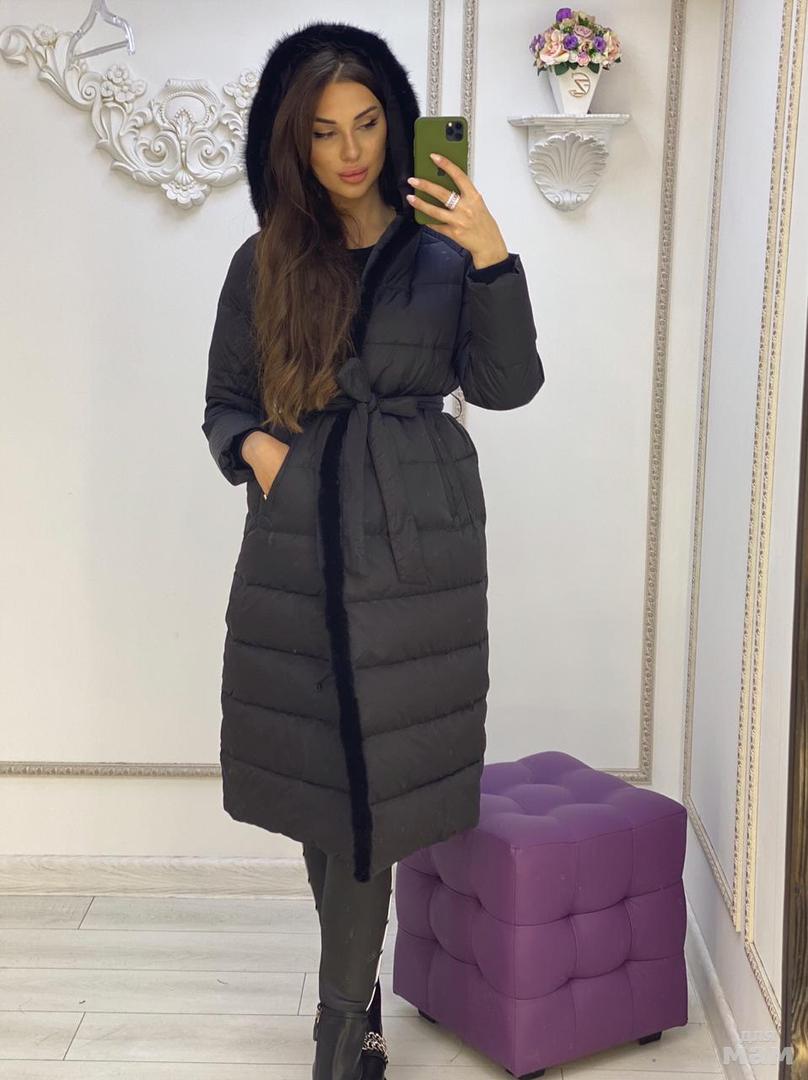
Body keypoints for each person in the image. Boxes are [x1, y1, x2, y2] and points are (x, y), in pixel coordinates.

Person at [201, 20, 545, 1080]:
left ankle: (339, 1033)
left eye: (366, 124)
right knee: (327, 779)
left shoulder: (443, 250)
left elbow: (508, 386)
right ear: (294, 145)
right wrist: (261, 450)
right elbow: (224, 402)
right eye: (323, 132)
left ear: (395, 124)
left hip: (412, 534)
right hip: (298, 532)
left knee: (369, 781)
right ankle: (356, 1013)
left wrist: (490, 251)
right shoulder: (264, 258)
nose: (350, 150)